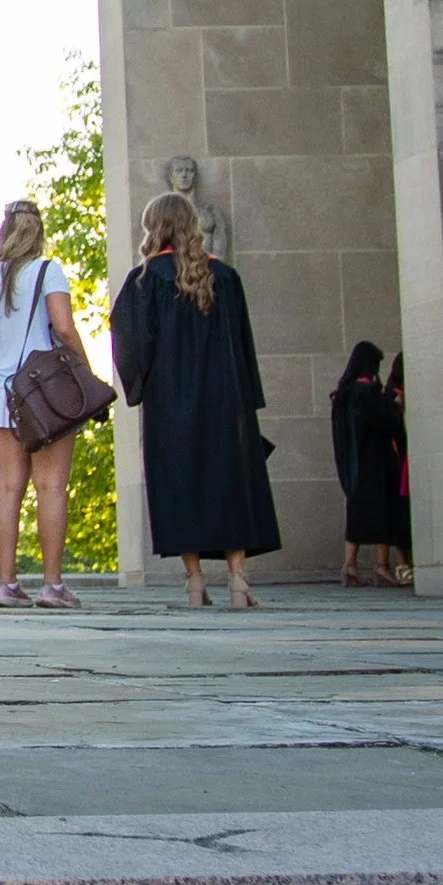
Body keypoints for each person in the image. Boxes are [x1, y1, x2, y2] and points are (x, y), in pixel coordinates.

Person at [110, 192, 281, 609]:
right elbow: (244, 345)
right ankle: (239, 582)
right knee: (229, 483)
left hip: (171, 404)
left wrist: (140, 386)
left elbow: (129, 345)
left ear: (154, 227)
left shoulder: (144, 280)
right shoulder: (225, 277)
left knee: (179, 484)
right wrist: (248, 401)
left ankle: (194, 582)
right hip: (226, 401)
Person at [0, 201, 89, 612]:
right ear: (38, 231)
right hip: (46, 394)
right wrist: (85, 371)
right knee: (50, 487)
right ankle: (53, 586)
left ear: (4, 232)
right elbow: (62, 327)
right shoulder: (46, 270)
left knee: (7, 487)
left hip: (1, 391)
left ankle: (6, 585)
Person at [330, 341, 404, 587]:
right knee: (384, 510)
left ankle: (350, 564)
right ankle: (383, 566)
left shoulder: (343, 395)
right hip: (375, 462)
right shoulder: (367, 393)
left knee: (357, 513)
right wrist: (394, 404)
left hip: (351, 464)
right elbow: (385, 423)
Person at [385, 353, 414, 584]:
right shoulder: (392, 396)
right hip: (401, 461)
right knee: (403, 512)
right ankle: (403, 563)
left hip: (408, 459)